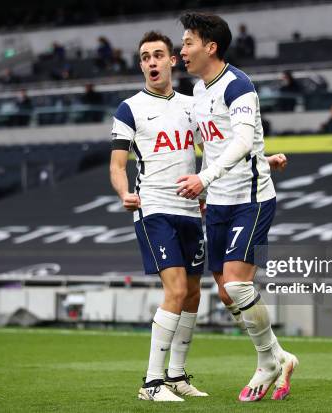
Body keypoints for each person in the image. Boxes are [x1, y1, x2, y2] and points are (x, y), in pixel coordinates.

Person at [177, 12, 296, 402]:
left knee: (238, 283)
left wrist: (205, 179)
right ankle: (282, 356)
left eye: (188, 42)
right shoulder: (198, 90)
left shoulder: (238, 85)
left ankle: (267, 363)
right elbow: (210, 141)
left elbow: (243, 141)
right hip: (218, 203)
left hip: (251, 199)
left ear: (210, 47)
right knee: (227, 293)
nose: (183, 50)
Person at [109, 31, 209, 402]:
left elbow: (211, 150)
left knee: (194, 294)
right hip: (154, 209)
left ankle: (178, 375)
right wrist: (124, 193)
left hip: (189, 210)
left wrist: (207, 189)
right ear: (142, 65)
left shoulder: (191, 105)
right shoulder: (129, 108)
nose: (151, 62)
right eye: (145, 57)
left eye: (157, 55)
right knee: (177, 290)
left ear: (171, 61)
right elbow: (118, 165)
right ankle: (151, 384)